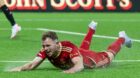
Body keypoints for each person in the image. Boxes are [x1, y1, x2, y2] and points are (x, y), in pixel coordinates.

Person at [10, 21, 132, 73]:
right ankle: (91, 29)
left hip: (89, 60)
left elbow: (79, 66)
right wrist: (16, 69)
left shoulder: (67, 47)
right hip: (80, 53)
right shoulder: (46, 51)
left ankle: (122, 37)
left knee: (109, 55)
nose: (45, 48)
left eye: (48, 45)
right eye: (43, 46)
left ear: (56, 43)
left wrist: (70, 71)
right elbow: (32, 65)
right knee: (82, 48)